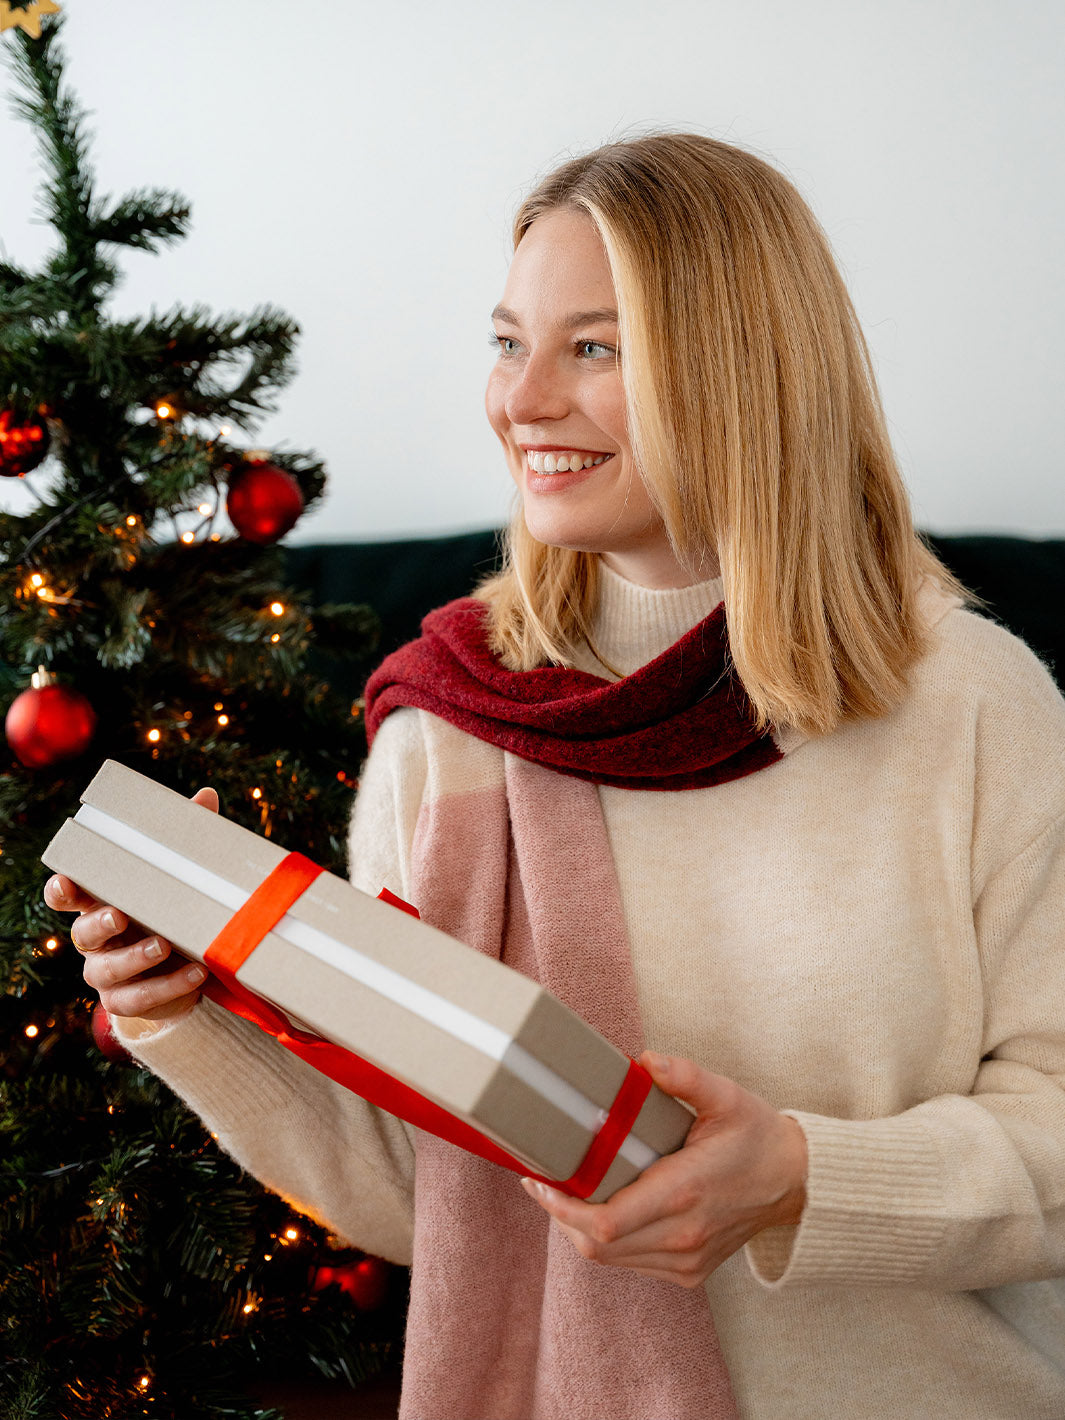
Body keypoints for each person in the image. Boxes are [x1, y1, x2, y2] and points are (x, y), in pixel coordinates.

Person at [45, 133, 1065, 1419]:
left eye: (594, 347)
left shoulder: (977, 707)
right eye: (507, 341)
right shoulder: (450, 730)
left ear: (745, 372)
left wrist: (805, 1176)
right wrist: (186, 1013)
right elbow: (445, 1201)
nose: (521, 401)